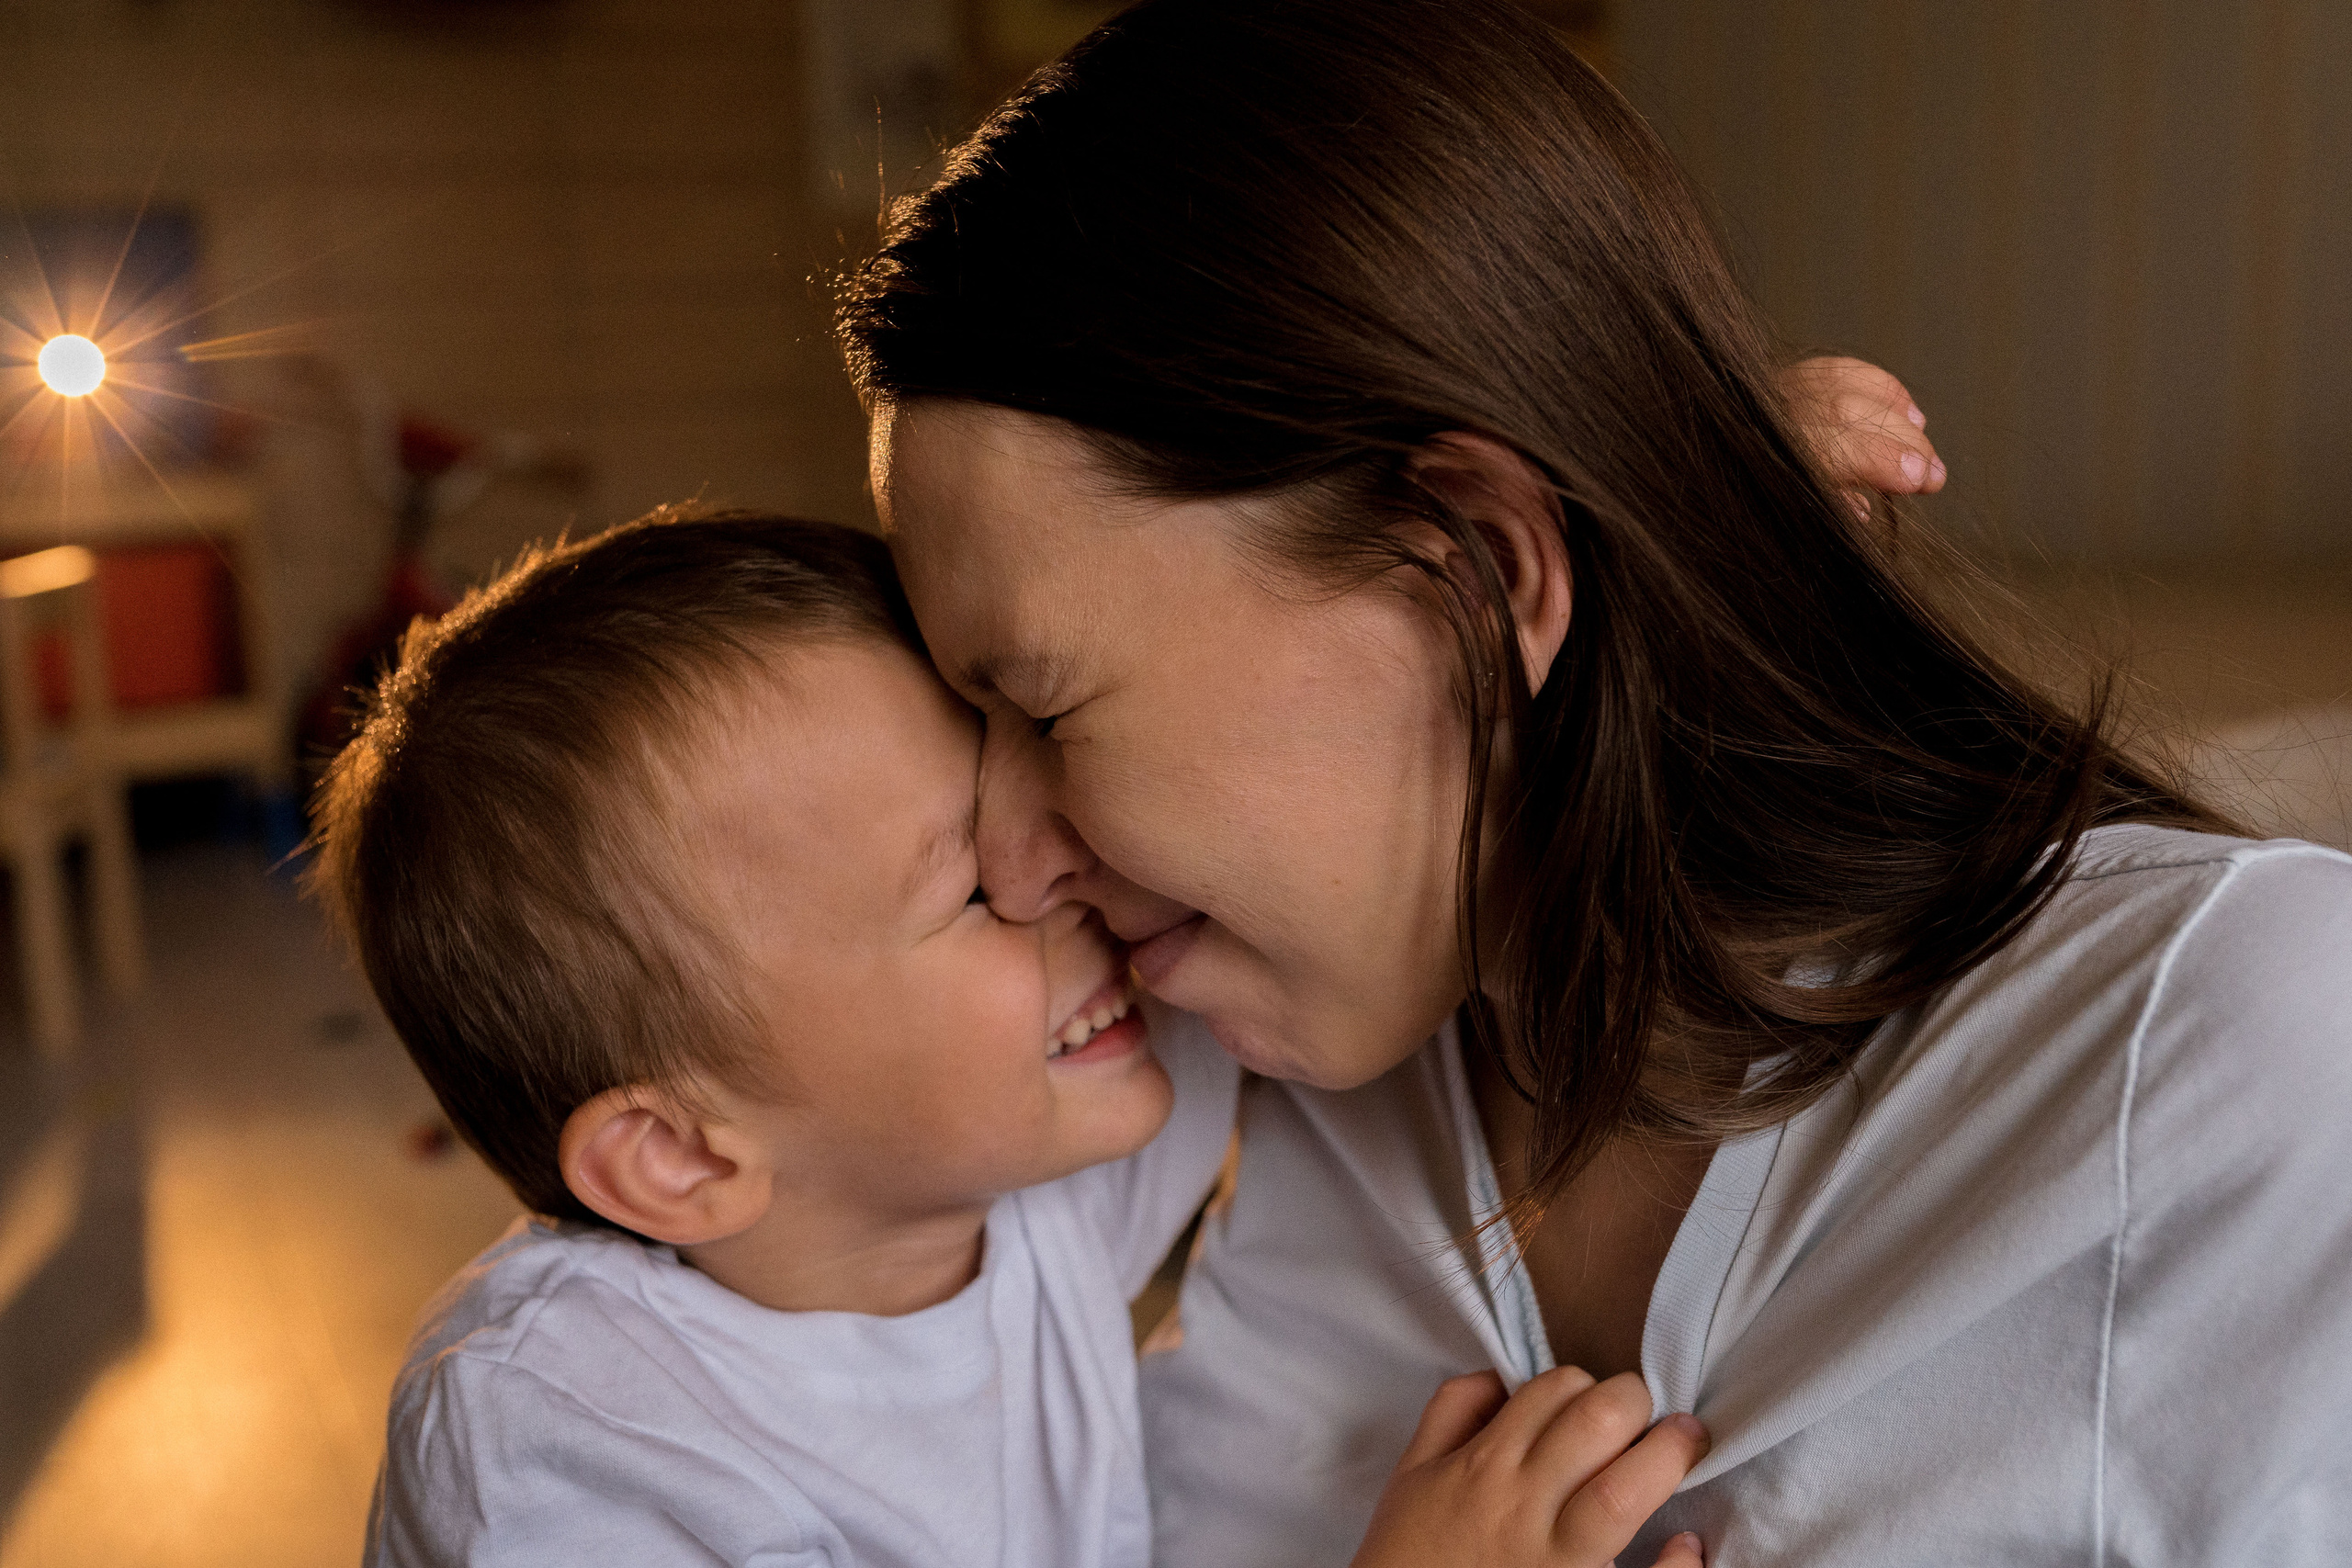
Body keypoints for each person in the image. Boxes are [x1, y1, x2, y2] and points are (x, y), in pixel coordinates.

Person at [839, 1, 2352, 1563]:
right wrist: (1662, 507)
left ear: (1475, 573)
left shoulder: (2251, 1061)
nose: (1010, 864)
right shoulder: (1287, 1066)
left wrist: (1648, 510)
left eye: (1045, 709)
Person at [312, 509, 1713, 1568]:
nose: (1059, 870)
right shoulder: (558, 1439)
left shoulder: (996, 1164)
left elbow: (1330, 895)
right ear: (679, 1153)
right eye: (974, 884)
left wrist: (1652, 538)